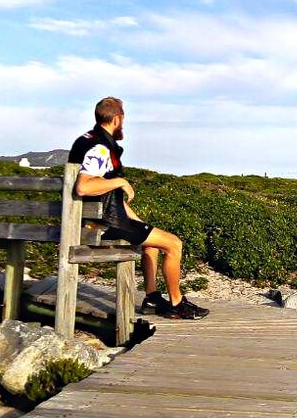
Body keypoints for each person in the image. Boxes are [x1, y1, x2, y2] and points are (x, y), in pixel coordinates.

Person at [68, 97, 208, 320]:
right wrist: (120, 182)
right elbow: (85, 187)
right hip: (101, 224)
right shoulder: (101, 148)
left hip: (95, 217)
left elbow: (104, 194)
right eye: (122, 119)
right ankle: (177, 303)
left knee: (151, 244)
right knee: (174, 244)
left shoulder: (85, 139)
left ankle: (152, 297)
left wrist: (137, 221)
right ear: (117, 119)